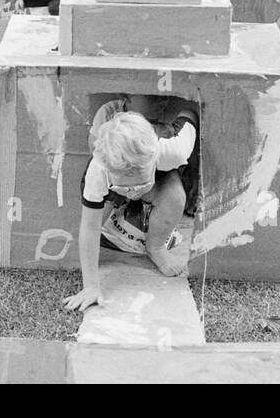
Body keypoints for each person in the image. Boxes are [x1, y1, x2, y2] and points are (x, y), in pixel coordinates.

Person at [63, 96, 199, 313]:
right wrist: (91, 287)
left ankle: (155, 246)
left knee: (175, 196)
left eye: (138, 185)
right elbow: (89, 227)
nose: (133, 192)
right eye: (127, 188)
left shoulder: (173, 151)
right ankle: (119, 203)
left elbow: (190, 115)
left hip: (158, 180)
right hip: (112, 189)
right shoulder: (99, 170)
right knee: (97, 222)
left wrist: (187, 111)